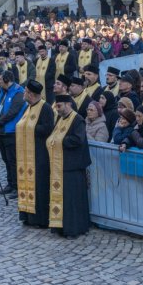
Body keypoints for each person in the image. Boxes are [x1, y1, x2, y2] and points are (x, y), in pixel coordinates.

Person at [47, 94, 91, 238]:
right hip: (61, 164)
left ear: (68, 104)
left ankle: (73, 229)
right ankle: (60, 226)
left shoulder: (77, 119)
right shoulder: (60, 119)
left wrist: (59, 141)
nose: (57, 109)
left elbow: (78, 139)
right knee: (62, 198)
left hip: (73, 165)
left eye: (59, 106)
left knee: (71, 199)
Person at [16, 80, 55, 225]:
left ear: (31, 94)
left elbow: (48, 128)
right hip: (25, 155)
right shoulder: (29, 107)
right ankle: (27, 215)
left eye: (25, 91)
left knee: (39, 187)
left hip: (39, 155)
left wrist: (30, 129)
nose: (24, 94)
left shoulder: (45, 108)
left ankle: (40, 219)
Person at [0, 70, 25, 192]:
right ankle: (10, 183)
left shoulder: (18, 93)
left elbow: (12, 112)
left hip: (11, 132)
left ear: (6, 80)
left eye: (0, 79)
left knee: (13, 160)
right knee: (6, 160)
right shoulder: (3, 92)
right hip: (2, 131)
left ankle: (17, 186)